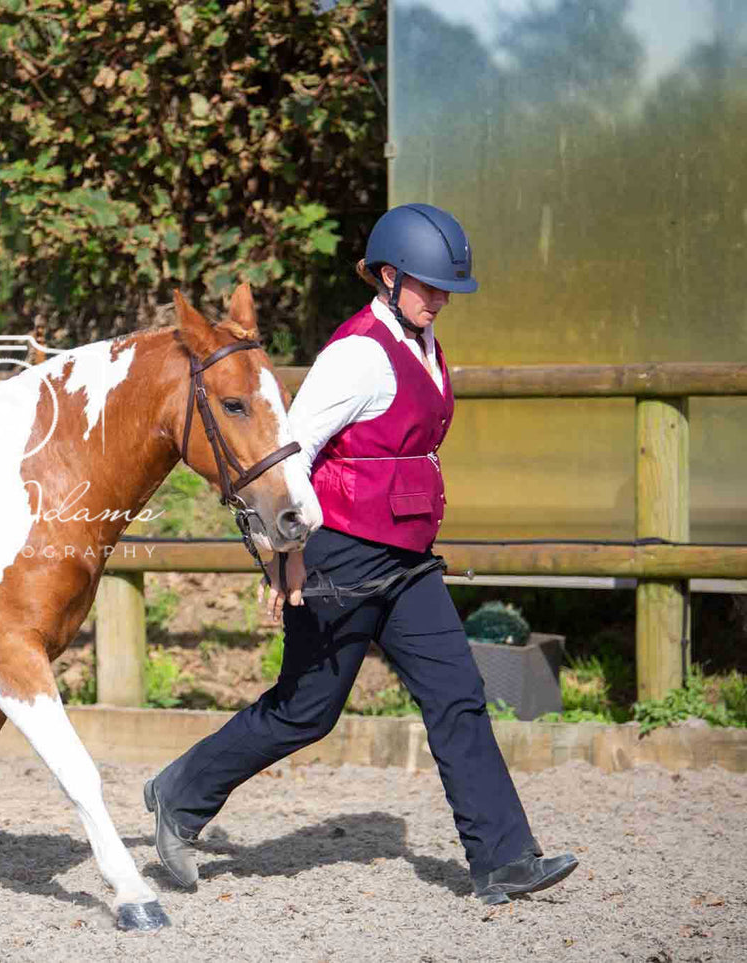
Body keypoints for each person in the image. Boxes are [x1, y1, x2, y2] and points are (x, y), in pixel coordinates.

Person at [143, 203, 578, 906]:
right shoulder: (356, 354)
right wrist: (281, 551)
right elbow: (290, 453)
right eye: (426, 285)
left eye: (445, 289)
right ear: (385, 276)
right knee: (304, 711)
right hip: (337, 554)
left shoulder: (423, 348)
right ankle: (178, 793)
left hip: (406, 558)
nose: (438, 299)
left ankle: (502, 859)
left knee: (458, 696)